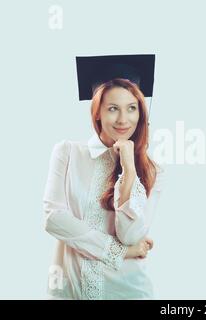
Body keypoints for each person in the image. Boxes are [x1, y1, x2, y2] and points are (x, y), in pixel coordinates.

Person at [43, 54, 164, 299]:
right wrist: (121, 252)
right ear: (97, 112)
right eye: (113, 109)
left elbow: (130, 235)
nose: (123, 119)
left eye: (132, 108)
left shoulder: (153, 170)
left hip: (128, 291)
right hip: (70, 290)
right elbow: (54, 219)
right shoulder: (68, 153)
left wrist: (129, 170)